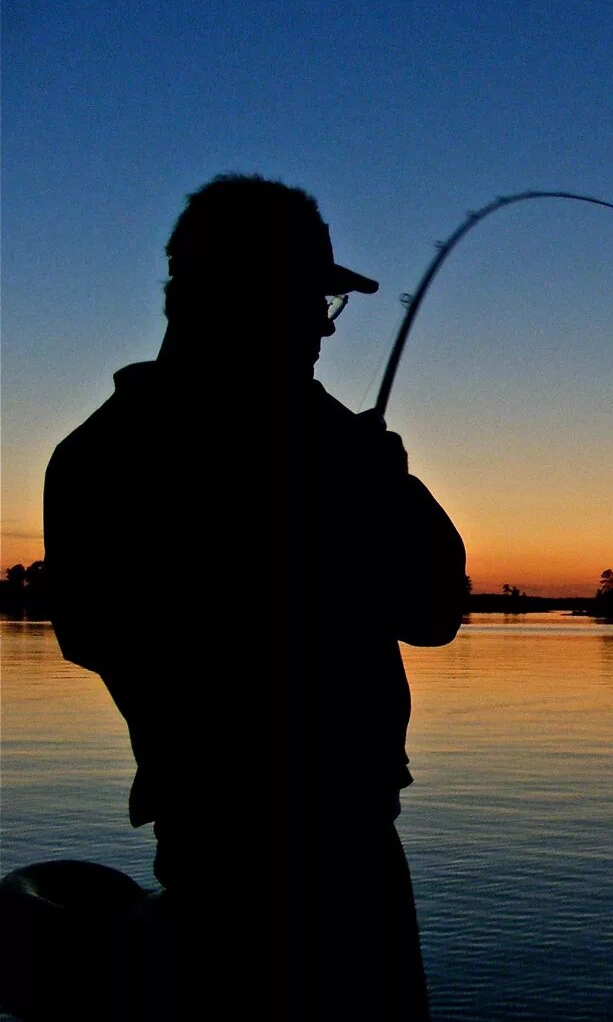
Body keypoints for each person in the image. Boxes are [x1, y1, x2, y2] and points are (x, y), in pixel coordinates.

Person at [43, 174, 466, 1020]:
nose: (321, 327)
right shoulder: (306, 450)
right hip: (275, 864)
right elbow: (430, 611)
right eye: (312, 300)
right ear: (243, 297)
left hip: (262, 851)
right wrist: (353, 497)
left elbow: (434, 611)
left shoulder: (93, 456)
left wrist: (370, 485)